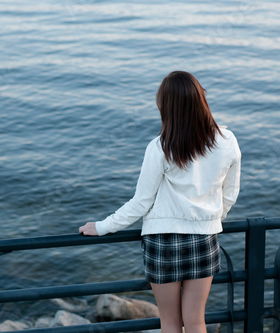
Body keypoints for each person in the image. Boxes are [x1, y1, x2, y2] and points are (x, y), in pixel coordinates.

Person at [79, 71, 241, 333]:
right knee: (196, 320)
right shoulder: (227, 141)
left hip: (163, 242)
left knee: (170, 322)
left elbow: (141, 203)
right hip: (204, 239)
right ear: (202, 99)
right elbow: (230, 194)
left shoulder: (161, 147)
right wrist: (210, 220)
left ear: (166, 107)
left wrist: (101, 226)